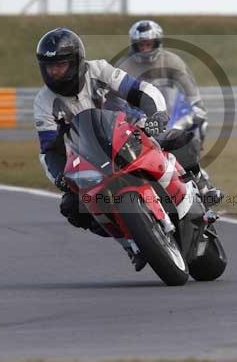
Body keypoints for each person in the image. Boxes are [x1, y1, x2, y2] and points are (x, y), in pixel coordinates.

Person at [34, 27, 169, 271]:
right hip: (91, 157)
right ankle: (129, 243)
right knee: (73, 206)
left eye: (61, 65)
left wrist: (155, 115)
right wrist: (59, 177)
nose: (54, 71)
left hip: (130, 131)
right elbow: (49, 150)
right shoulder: (43, 101)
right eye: (49, 66)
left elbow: (140, 91)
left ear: (75, 61)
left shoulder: (98, 70)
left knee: (175, 137)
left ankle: (200, 184)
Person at [114, 20, 223, 205]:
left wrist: (195, 108)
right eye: (141, 45)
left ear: (157, 43)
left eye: (149, 44)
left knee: (198, 123)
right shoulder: (123, 65)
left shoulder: (172, 61)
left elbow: (190, 90)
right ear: (134, 45)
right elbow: (114, 98)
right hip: (138, 117)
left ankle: (200, 181)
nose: (145, 49)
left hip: (170, 113)